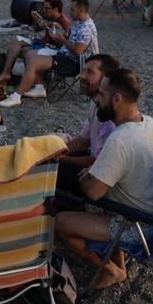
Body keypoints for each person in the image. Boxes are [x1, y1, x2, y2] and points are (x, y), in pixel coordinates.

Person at [55, 69, 153, 289]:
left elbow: (93, 192)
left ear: (117, 99)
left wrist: (85, 176)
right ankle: (117, 261)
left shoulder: (119, 140)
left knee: (59, 223)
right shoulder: (149, 123)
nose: (96, 100)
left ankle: (112, 272)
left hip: (140, 226)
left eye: (100, 94)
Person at [0, 0, 98, 107]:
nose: (70, 13)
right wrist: (59, 35)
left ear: (81, 10)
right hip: (64, 54)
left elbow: (78, 50)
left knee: (33, 61)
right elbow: (67, 38)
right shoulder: (79, 23)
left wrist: (62, 39)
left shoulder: (87, 28)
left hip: (74, 63)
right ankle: (39, 87)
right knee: (29, 54)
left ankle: (16, 96)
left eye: (72, 10)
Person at [55, 54, 121, 198]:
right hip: (93, 160)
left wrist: (60, 159)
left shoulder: (109, 116)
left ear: (106, 79)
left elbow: (98, 162)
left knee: (53, 173)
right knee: (50, 149)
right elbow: (84, 140)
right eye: (83, 71)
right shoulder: (94, 102)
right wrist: (55, 152)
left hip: (100, 178)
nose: (82, 76)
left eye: (89, 72)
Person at [0, 0, 71, 84]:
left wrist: (49, 27)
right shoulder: (50, 17)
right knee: (16, 42)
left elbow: (63, 44)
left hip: (53, 49)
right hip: (43, 43)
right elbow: (36, 29)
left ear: (55, 9)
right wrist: (36, 19)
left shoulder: (64, 23)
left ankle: (33, 80)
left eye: (47, 8)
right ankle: (7, 73)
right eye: (44, 7)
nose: (44, 10)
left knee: (21, 51)